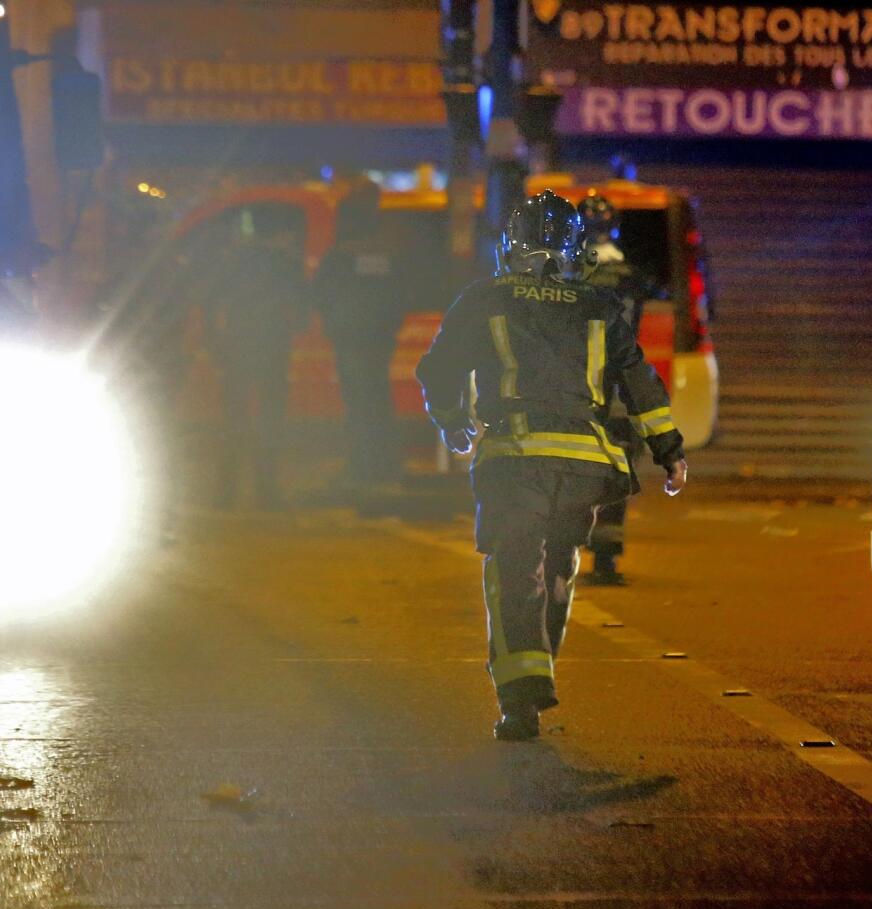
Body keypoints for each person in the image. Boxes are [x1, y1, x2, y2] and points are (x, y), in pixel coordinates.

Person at [416, 191, 689, 741]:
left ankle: (522, 697)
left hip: (515, 460)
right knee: (559, 565)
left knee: (515, 568)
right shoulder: (599, 305)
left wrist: (451, 421)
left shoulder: (485, 297)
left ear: (509, 246)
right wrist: (670, 450)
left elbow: (438, 368)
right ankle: (537, 672)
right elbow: (639, 381)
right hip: (586, 467)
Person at [575, 192, 661, 585]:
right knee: (617, 472)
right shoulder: (631, 272)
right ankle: (606, 561)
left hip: (580, 387)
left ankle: (563, 555)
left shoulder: (570, 271)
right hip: (622, 388)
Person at [210, 209, 310, 510]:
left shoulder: (232, 262)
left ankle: (226, 491)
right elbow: (301, 310)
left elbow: (214, 302)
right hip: (273, 347)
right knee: (271, 418)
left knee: (233, 417)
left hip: (237, 346)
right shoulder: (287, 264)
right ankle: (267, 490)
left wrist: (217, 344)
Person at [313, 184, 405, 498]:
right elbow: (399, 296)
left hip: (350, 339)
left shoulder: (339, 257)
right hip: (379, 340)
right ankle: (384, 466)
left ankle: (362, 468)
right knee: (379, 400)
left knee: (357, 404)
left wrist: (332, 325)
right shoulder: (388, 255)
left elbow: (320, 294)